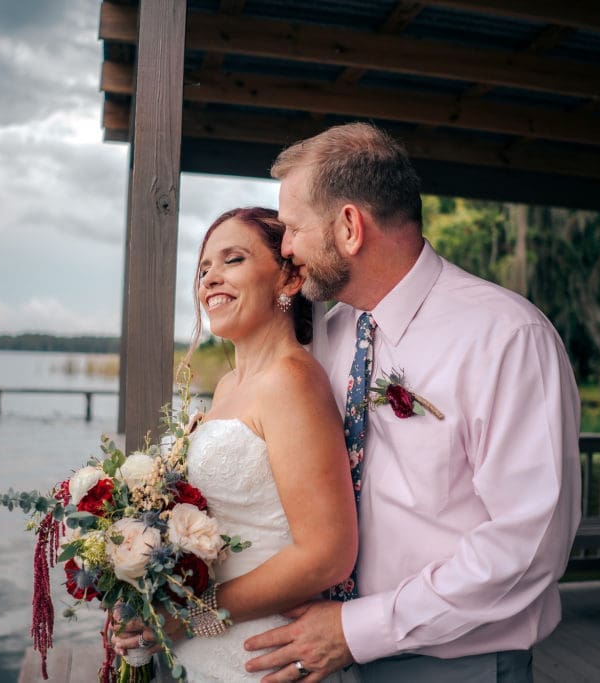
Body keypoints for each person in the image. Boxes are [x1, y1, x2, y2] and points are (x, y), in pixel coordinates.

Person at [243, 122, 582, 681]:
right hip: (329, 653)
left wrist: (358, 629)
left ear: (349, 226)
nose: (286, 248)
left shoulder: (506, 336)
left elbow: (529, 544)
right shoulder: (329, 336)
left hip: (455, 664)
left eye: (295, 228)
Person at [111, 207, 359, 682]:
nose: (210, 279)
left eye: (233, 260)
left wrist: (189, 616)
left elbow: (327, 553)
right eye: (204, 268)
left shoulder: (292, 381)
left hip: (257, 654)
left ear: (288, 279)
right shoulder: (227, 387)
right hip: (200, 649)